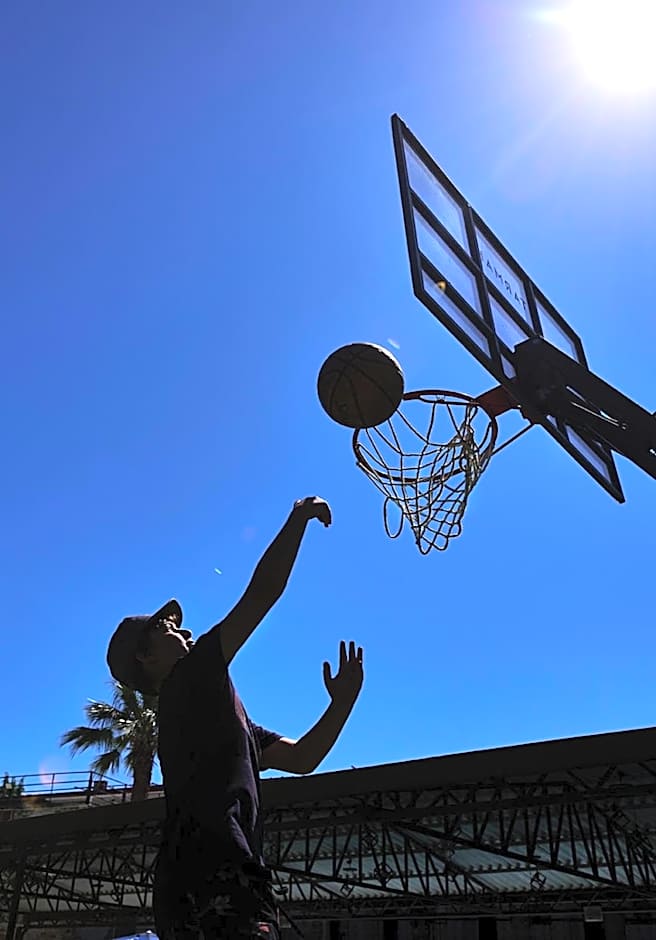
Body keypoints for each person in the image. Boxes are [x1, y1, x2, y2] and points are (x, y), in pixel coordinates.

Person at [106, 497, 364, 940]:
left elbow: (302, 758)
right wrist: (298, 517)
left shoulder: (216, 715)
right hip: (217, 873)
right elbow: (262, 594)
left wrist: (341, 703)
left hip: (201, 879)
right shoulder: (189, 679)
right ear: (146, 657)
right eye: (168, 629)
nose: (185, 630)